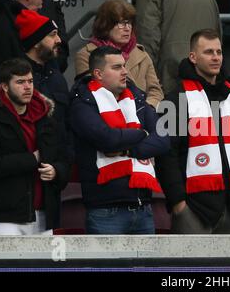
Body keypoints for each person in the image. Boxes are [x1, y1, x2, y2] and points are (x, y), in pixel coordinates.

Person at [156, 29, 230, 234]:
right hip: (192, 210)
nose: (216, 57)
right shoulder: (175, 99)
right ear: (193, 57)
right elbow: (166, 155)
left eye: (218, 52)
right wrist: (178, 204)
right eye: (209, 52)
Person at [70, 46, 170, 234]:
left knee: (144, 265)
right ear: (98, 73)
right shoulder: (82, 103)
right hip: (105, 210)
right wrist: (142, 134)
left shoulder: (138, 99)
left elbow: (163, 140)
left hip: (143, 207)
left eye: (124, 66)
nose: (125, 72)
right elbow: (107, 139)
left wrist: (127, 151)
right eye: (117, 67)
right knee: (109, 265)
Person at [0, 58, 69, 234]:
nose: (27, 87)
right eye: (20, 82)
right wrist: (32, 159)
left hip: (44, 215)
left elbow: (64, 157)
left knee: (44, 263)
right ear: (5, 86)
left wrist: (56, 171)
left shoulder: (45, 117)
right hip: (4, 217)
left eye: (30, 81)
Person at [136, 0, 220, 95]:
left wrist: (144, 83)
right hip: (205, 84)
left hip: (169, 82)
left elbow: (147, 41)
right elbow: (217, 39)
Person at [76, 0, 163, 109]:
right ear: (105, 25)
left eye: (129, 23)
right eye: (121, 23)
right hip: (106, 115)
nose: (127, 28)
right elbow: (91, 92)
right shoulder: (86, 55)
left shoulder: (142, 54)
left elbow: (155, 91)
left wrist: (146, 109)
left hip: (141, 115)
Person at [15, 9, 71, 158]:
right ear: (35, 42)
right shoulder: (14, 77)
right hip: (28, 166)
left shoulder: (55, 74)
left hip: (57, 166)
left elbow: (66, 122)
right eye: (52, 35)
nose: (59, 40)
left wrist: (62, 167)